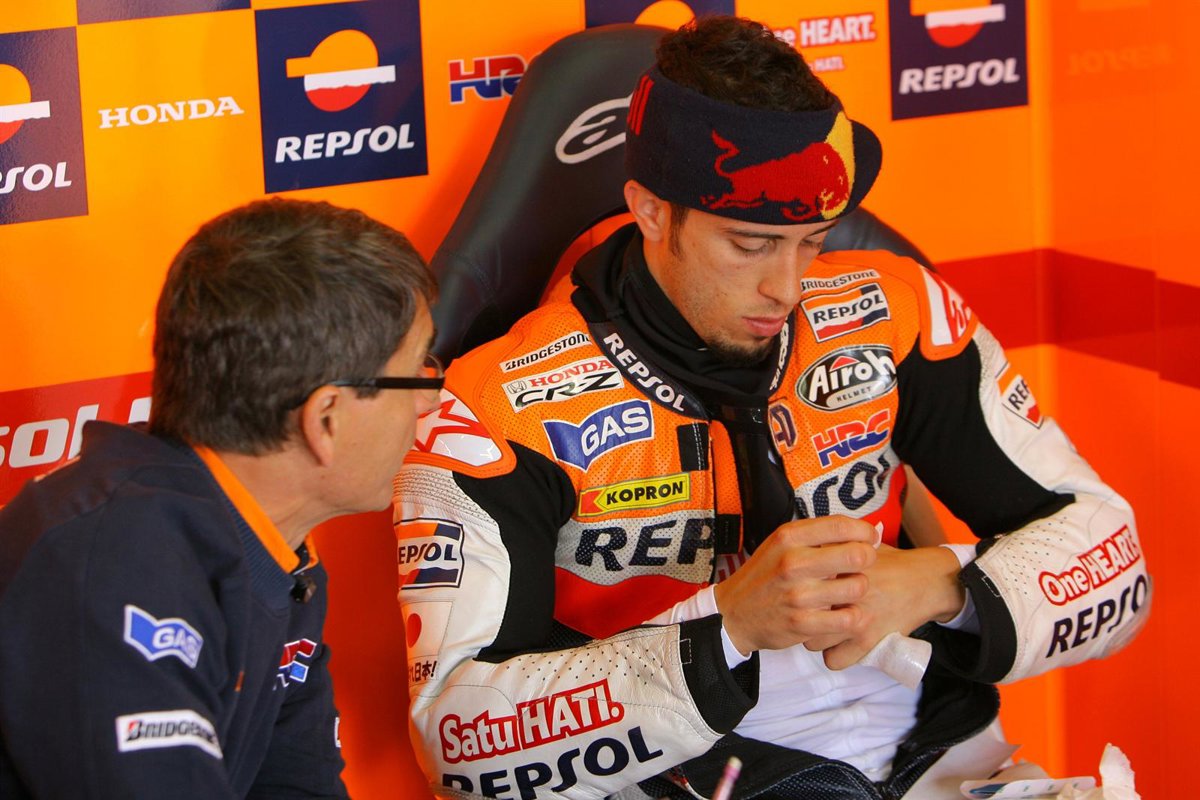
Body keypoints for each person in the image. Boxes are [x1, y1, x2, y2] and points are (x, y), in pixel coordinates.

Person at [393, 16, 1150, 800]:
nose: (785, 287)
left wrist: (937, 583)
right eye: (749, 245)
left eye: (812, 241)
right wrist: (726, 629)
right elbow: (455, 742)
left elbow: (1118, 560)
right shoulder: (498, 406)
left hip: (940, 754)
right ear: (650, 211)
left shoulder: (894, 316)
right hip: (686, 771)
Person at [0, 198, 440, 798]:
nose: (430, 400)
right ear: (326, 419)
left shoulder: (275, 550)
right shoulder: (113, 566)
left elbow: (298, 787)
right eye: (419, 373)